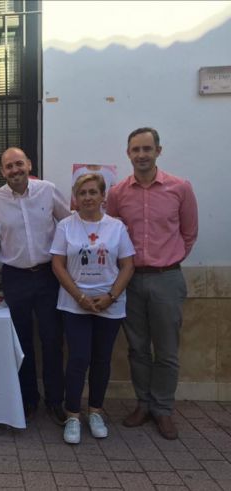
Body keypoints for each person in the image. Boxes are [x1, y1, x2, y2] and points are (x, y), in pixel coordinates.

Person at [107, 127, 198, 440]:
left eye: (147, 149)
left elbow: (189, 233)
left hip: (167, 279)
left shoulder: (180, 188)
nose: (141, 155)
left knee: (167, 351)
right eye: (136, 149)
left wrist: (168, 260)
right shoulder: (117, 193)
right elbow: (112, 233)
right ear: (128, 153)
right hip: (131, 280)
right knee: (137, 349)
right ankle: (143, 404)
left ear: (159, 151)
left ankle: (163, 409)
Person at [0, 147, 71, 424]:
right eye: (9, 166)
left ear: (29, 164)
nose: (15, 170)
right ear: (2, 171)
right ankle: (28, 399)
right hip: (15, 277)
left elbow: (68, 224)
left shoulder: (47, 190)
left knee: (52, 341)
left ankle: (56, 401)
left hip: (47, 275)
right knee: (21, 342)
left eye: (19, 164)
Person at [50, 173, 135, 444]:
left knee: (101, 359)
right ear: (75, 197)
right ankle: (73, 414)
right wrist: (79, 297)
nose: (87, 197)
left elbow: (128, 265)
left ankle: (95, 411)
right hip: (75, 304)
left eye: (93, 192)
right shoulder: (66, 226)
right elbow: (58, 264)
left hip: (109, 305)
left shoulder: (117, 227)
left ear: (103, 196)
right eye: (82, 193)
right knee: (78, 359)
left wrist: (111, 296)